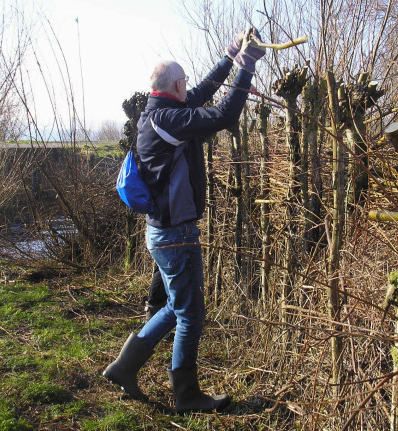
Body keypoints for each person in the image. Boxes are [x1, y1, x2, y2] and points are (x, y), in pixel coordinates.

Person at [103, 28, 266, 414]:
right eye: (185, 82)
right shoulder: (169, 120)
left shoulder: (157, 113)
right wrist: (246, 67)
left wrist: (229, 59)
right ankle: (187, 395)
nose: (188, 87)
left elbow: (202, 96)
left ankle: (124, 367)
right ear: (176, 84)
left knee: (177, 307)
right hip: (175, 235)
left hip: (164, 232)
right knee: (190, 314)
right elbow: (225, 114)